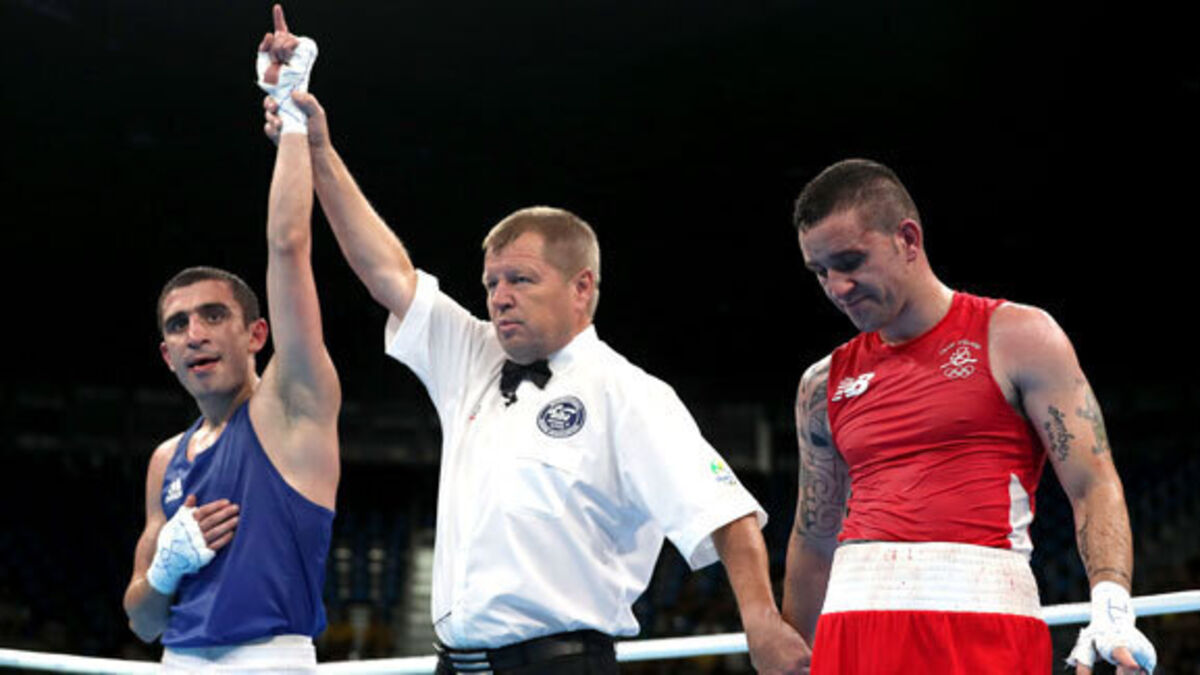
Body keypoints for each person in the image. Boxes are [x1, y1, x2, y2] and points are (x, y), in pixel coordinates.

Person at [259, 20, 810, 675]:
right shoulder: (472, 355)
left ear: (582, 287)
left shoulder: (628, 393)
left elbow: (728, 514)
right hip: (454, 664)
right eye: (491, 282)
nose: (499, 296)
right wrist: (316, 144)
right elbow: (387, 273)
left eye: (520, 279)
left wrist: (762, 622)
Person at [781, 158, 1157, 674]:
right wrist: (794, 656)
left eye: (851, 262)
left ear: (907, 239)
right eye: (821, 271)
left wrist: (1112, 608)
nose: (837, 287)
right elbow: (814, 536)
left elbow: (1093, 483)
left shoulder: (1019, 337)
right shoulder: (821, 384)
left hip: (979, 622)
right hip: (852, 627)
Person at [122, 7, 340, 670]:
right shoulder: (166, 459)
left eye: (214, 316)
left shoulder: (292, 407)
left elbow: (289, 246)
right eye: (178, 325)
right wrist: (165, 569)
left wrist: (292, 112)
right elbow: (141, 620)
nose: (195, 334)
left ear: (256, 334)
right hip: (178, 659)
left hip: (269, 658)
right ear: (166, 356)